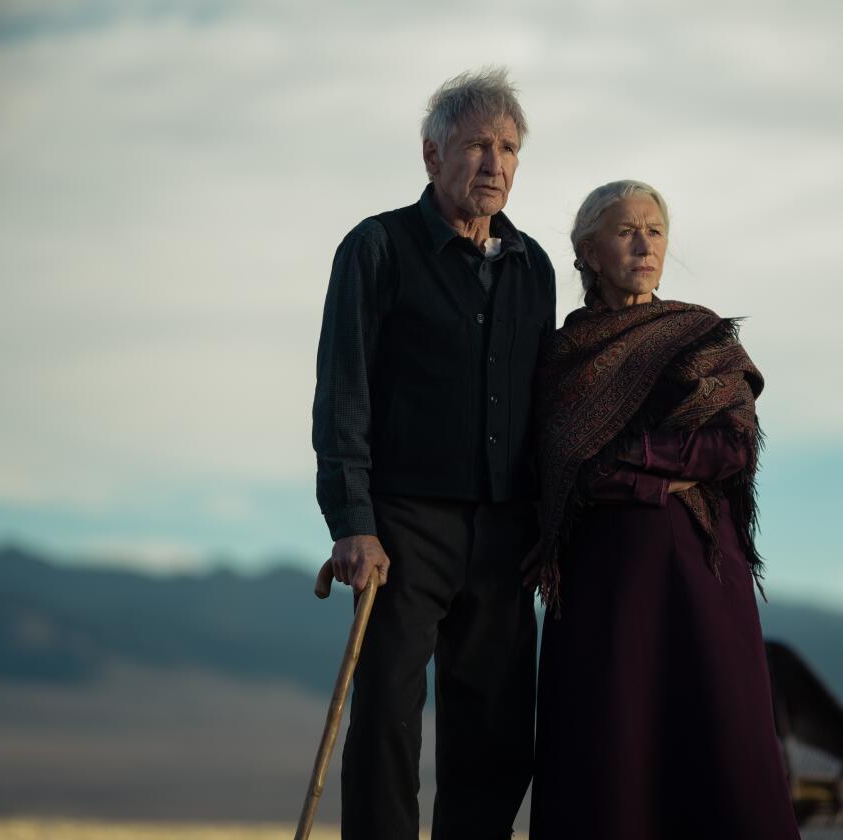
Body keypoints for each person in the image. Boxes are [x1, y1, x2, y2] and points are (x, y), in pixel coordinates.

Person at [311, 68, 555, 840]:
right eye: (478, 145)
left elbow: (546, 407)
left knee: (497, 733)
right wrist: (352, 520)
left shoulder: (534, 266)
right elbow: (344, 390)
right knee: (386, 715)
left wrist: (548, 525)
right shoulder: (376, 247)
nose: (495, 163)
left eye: (509, 148)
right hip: (402, 526)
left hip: (506, 533)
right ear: (430, 153)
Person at [528, 180, 802, 839]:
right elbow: (564, 467)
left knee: (719, 745)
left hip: (700, 578)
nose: (645, 243)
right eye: (626, 230)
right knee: (611, 752)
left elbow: (730, 446)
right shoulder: (563, 357)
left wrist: (632, 458)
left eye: (654, 229)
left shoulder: (698, 336)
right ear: (588, 251)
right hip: (601, 586)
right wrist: (654, 477)